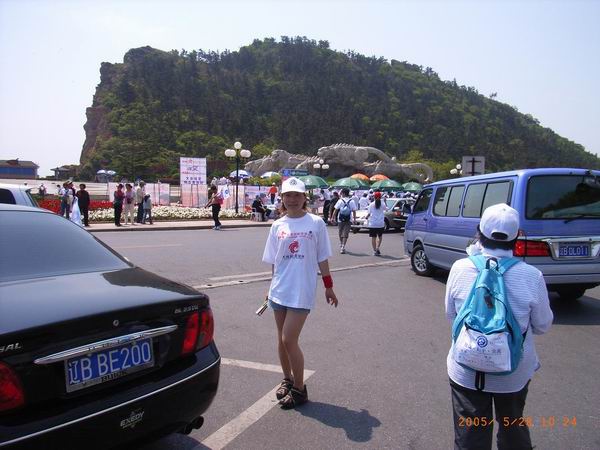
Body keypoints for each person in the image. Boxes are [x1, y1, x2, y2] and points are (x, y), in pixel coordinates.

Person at [445, 203, 553, 450]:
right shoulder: (532, 276)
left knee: (470, 437)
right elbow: (542, 325)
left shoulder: (460, 268)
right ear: (517, 236)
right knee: (512, 427)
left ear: (479, 232)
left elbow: (451, 314)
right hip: (512, 375)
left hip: (466, 371)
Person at [262, 177, 339, 409]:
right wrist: (270, 288)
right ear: (282, 198)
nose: (292, 199)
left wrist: (328, 286)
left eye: (297, 195)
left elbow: (322, 257)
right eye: (288, 195)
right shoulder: (277, 225)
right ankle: (287, 379)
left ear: (305, 197)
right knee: (281, 339)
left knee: (289, 339)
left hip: (301, 290)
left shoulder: (315, 223)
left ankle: (299, 388)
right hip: (279, 289)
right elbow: (275, 262)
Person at [332, 188, 357, 254]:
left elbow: (335, 210)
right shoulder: (352, 201)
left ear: (343, 193)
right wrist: (354, 219)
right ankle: (343, 246)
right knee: (346, 233)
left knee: (340, 232)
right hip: (349, 219)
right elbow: (354, 211)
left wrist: (332, 217)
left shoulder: (340, 200)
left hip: (340, 219)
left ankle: (341, 244)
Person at [365, 191, 388, 255]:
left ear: (374, 197)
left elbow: (369, 213)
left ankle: (375, 251)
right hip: (380, 223)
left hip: (373, 223)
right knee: (380, 236)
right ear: (380, 197)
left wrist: (366, 217)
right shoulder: (382, 204)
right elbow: (387, 209)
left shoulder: (371, 204)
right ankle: (378, 247)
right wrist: (385, 201)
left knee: (373, 237)